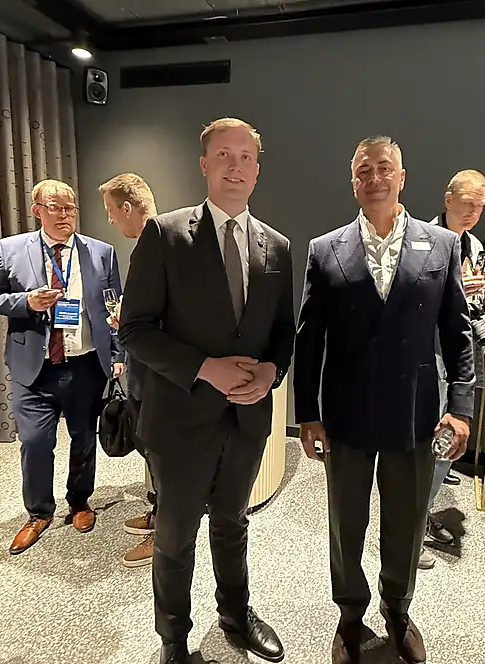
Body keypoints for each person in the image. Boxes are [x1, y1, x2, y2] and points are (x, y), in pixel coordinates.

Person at [118, 118, 295, 664]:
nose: (235, 165)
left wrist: (271, 373)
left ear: (257, 169)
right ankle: (173, 639)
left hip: (246, 421)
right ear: (204, 164)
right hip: (179, 420)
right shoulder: (165, 234)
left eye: (245, 157)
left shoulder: (278, 246)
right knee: (175, 537)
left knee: (233, 522)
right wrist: (203, 368)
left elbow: (282, 331)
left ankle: (235, 614)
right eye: (224, 154)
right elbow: (135, 329)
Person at [294, 135, 475, 664]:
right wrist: (307, 414)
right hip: (346, 414)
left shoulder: (441, 245)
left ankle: (398, 607)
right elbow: (310, 338)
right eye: (363, 170)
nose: (374, 178)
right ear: (353, 182)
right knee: (345, 523)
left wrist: (460, 407)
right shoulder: (325, 249)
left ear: (402, 177)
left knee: (406, 520)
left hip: (414, 412)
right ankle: (350, 613)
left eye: (384, 168)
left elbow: (457, 333)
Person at [0, 179, 124, 555]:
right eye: (56, 207)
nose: (65, 214)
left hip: (85, 365)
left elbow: (114, 306)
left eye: (70, 207)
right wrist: (26, 302)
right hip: (33, 367)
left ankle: (80, 501)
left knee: (83, 438)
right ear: (37, 210)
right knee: (35, 442)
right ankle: (39, 512)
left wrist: (118, 355)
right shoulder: (9, 249)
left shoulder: (101, 252)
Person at [420, 171, 485, 569]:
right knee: (422, 444)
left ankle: (420, 515)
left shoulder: (474, 247)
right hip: (425, 356)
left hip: (458, 356)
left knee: (448, 442)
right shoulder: (420, 238)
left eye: (480, 206)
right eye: (468, 203)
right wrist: (453, 288)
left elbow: (477, 313)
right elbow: (408, 299)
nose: (474, 212)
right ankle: (408, 527)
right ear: (448, 198)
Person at [99, 172, 159, 568]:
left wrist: (125, 322)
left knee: (159, 453)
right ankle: (157, 514)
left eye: (110, 211)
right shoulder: (151, 245)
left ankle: (163, 535)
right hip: (146, 373)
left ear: (126, 207)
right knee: (152, 451)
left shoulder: (156, 246)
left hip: (155, 377)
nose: (109, 220)